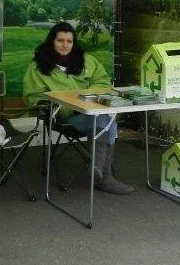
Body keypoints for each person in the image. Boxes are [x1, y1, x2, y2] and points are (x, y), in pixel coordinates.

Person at [22, 21, 133, 195]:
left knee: (105, 118)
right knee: (107, 120)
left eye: (69, 41)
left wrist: (87, 97)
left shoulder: (87, 60)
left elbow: (102, 83)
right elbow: (32, 96)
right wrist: (58, 103)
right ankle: (104, 176)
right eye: (60, 40)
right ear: (52, 41)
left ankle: (98, 169)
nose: (65, 45)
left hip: (91, 111)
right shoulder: (38, 67)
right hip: (64, 117)